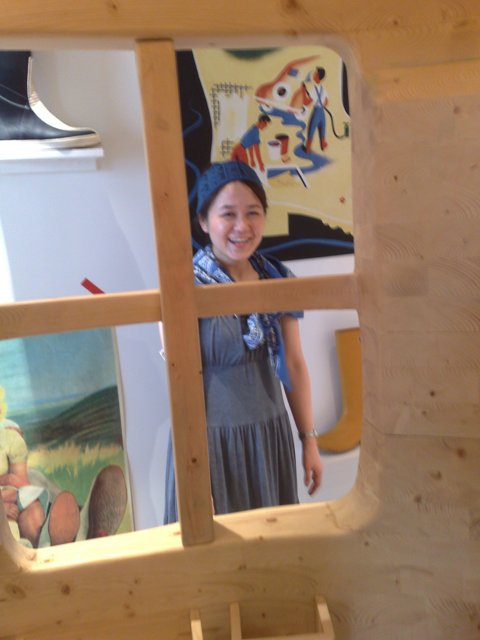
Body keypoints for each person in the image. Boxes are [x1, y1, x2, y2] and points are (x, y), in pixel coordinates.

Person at [163, 160, 323, 522]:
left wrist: (309, 439)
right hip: (210, 446)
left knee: (272, 544)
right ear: (204, 221)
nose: (242, 226)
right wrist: (193, 471)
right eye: (228, 214)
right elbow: (180, 381)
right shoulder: (183, 288)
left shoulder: (277, 277)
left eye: (253, 213)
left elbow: (294, 364)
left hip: (270, 437)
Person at [302, 66, 329, 153]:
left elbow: (306, 103)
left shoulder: (314, 89)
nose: (313, 74)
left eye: (315, 73)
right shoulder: (323, 88)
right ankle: (323, 145)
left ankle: (308, 149)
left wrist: (303, 91)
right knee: (322, 130)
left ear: (317, 76)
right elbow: (327, 102)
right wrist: (322, 104)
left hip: (316, 112)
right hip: (322, 112)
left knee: (311, 129)